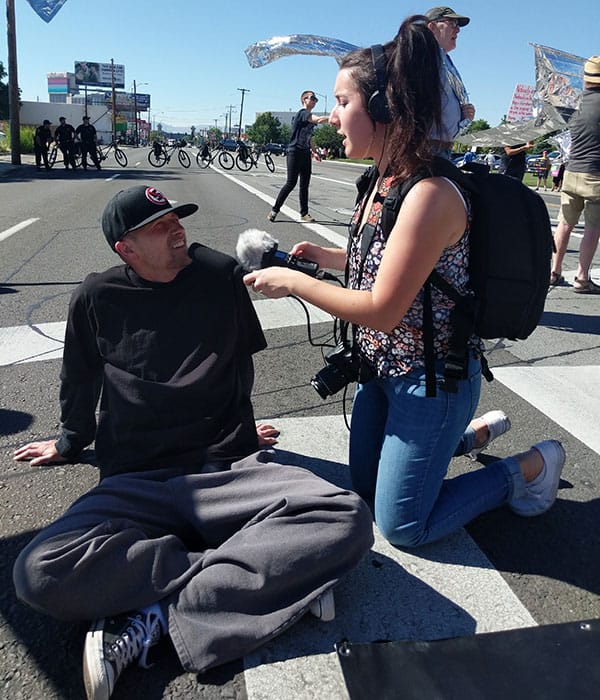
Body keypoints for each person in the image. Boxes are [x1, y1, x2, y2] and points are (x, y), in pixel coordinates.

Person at [12, 185, 373, 700]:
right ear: (125, 248)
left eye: (176, 218)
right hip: (137, 477)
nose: (177, 229)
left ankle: (155, 613)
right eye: (158, 227)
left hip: (226, 467)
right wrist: (70, 443)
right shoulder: (95, 297)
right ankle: (271, 578)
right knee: (38, 572)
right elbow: (78, 379)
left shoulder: (219, 275)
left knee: (348, 518)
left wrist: (245, 432)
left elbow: (239, 364)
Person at [244, 16, 566, 549]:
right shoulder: (381, 178)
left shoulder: (430, 193)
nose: (330, 115)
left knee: (403, 526)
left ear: (383, 109)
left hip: (431, 381)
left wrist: (294, 284)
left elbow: (382, 308)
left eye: (343, 102)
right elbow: (382, 260)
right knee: (365, 491)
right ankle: (467, 438)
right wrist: (325, 256)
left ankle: (532, 466)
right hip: (381, 369)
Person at [550, 56, 600, 292]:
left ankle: (554, 271)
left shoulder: (575, 103)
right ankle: (581, 278)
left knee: (565, 223)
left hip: (572, 171)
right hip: (596, 174)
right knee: (593, 227)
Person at [267, 90, 329, 223]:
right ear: (304, 100)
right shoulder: (302, 114)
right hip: (294, 152)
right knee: (291, 183)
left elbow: (309, 137)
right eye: (311, 98)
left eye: (315, 99)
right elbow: (318, 119)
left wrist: (314, 151)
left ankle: (304, 213)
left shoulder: (309, 119)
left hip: (305, 153)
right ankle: (274, 210)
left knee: (304, 185)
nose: (314, 101)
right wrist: (336, 116)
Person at [425, 7, 476, 155]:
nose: (458, 30)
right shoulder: (424, 58)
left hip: (441, 148)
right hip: (425, 148)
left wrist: (463, 116)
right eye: (452, 24)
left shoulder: (443, 59)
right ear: (432, 27)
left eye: (458, 26)